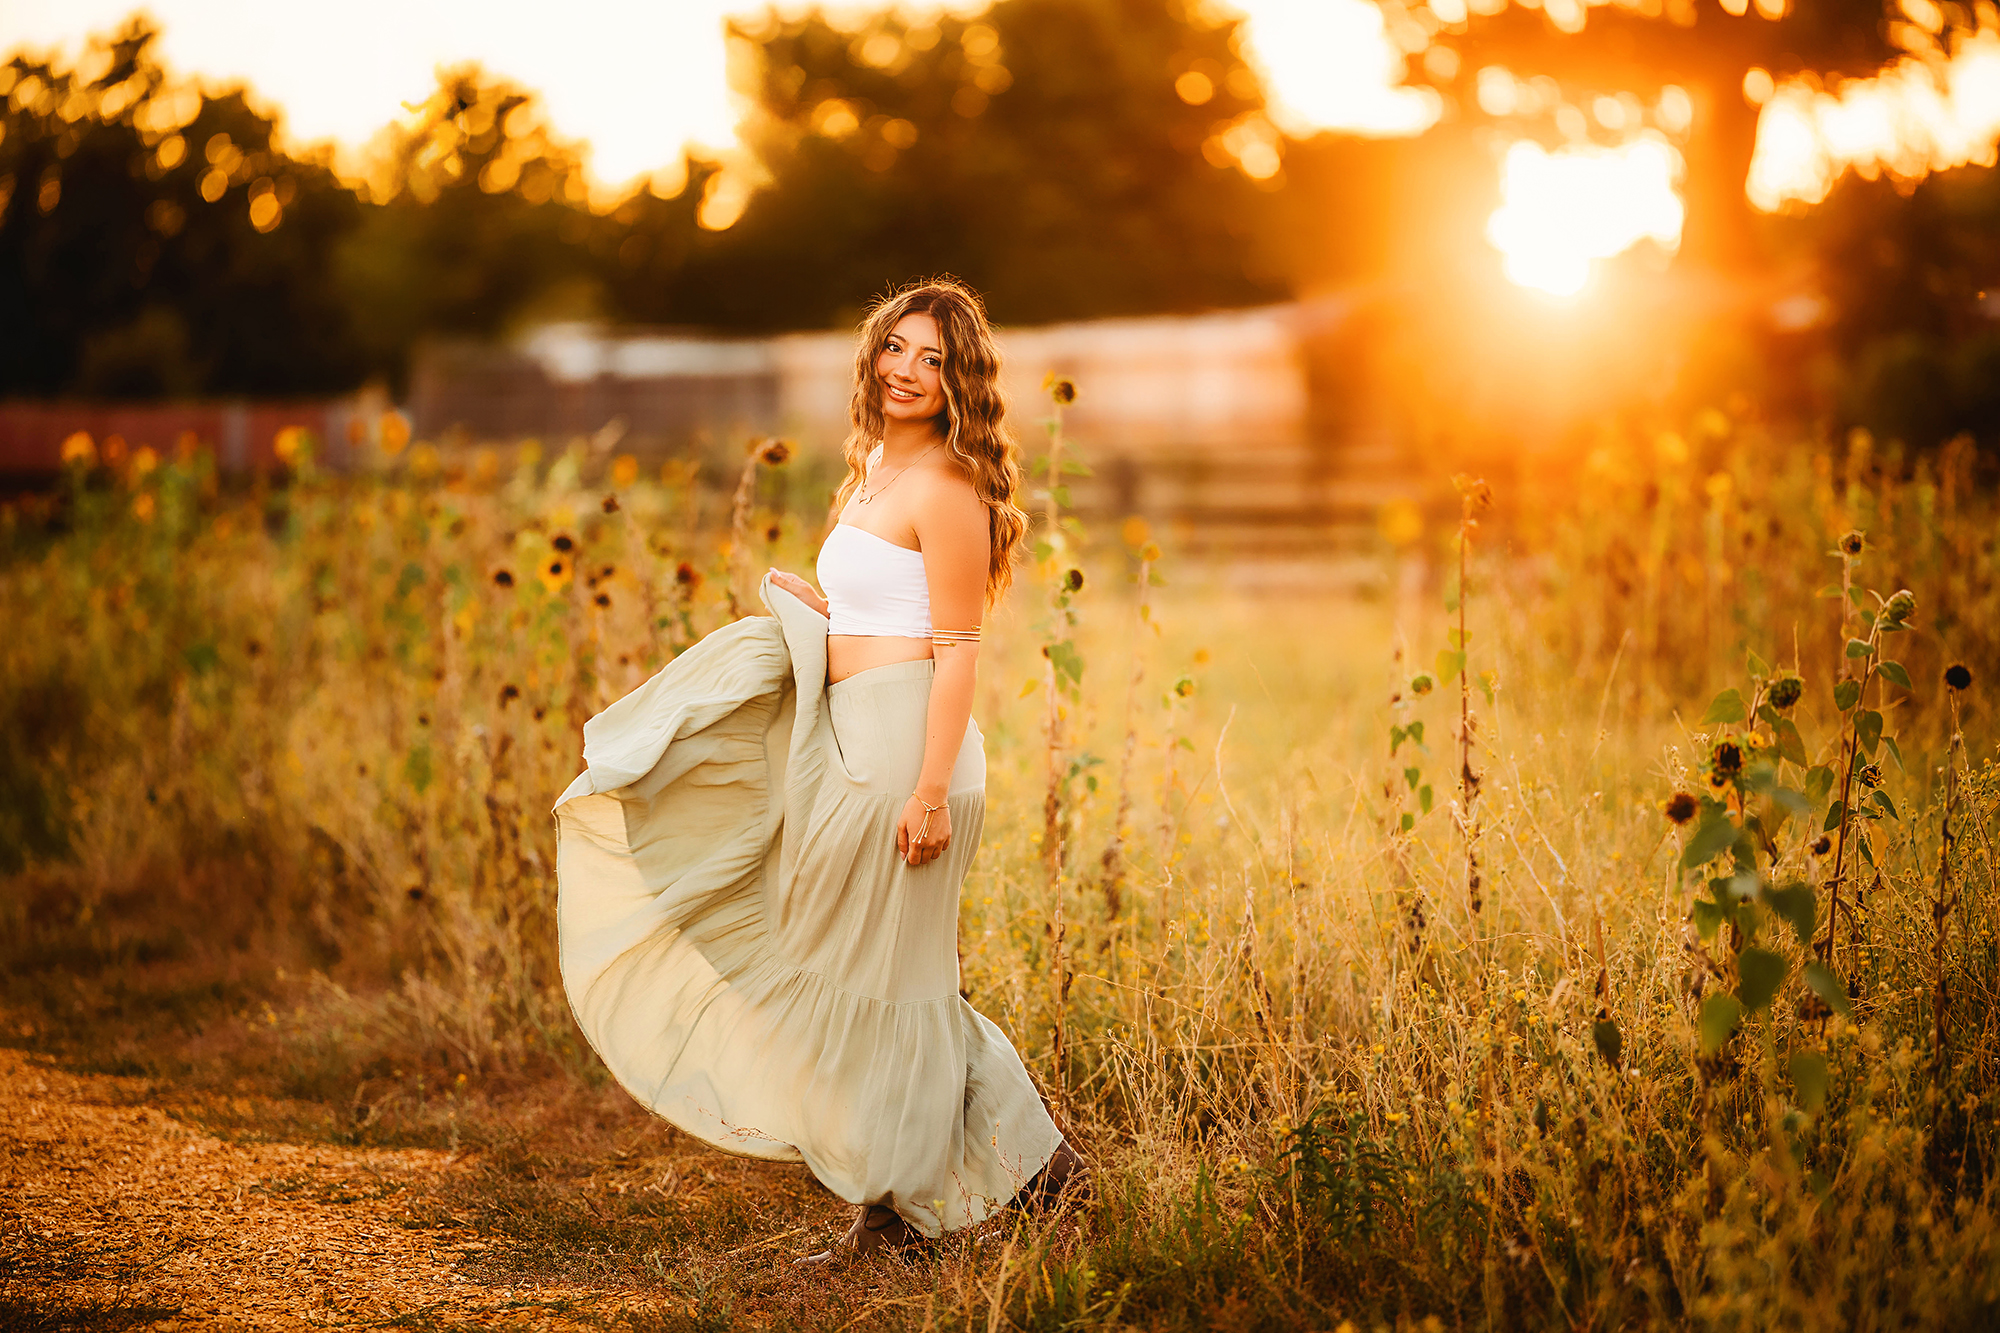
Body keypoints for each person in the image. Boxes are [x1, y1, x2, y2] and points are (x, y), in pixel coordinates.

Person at [553, 277, 1085, 1261]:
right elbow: (887, 617)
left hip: (907, 750)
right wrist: (820, 611)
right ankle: (1033, 1168)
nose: (907, 372)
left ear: (961, 380)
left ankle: (897, 1219)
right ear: (872, 353)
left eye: (934, 359)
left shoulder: (948, 491)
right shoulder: (872, 475)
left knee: (893, 982)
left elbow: (958, 651)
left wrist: (927, 791)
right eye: (896, 348)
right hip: (851, 732)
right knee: (853, 967)